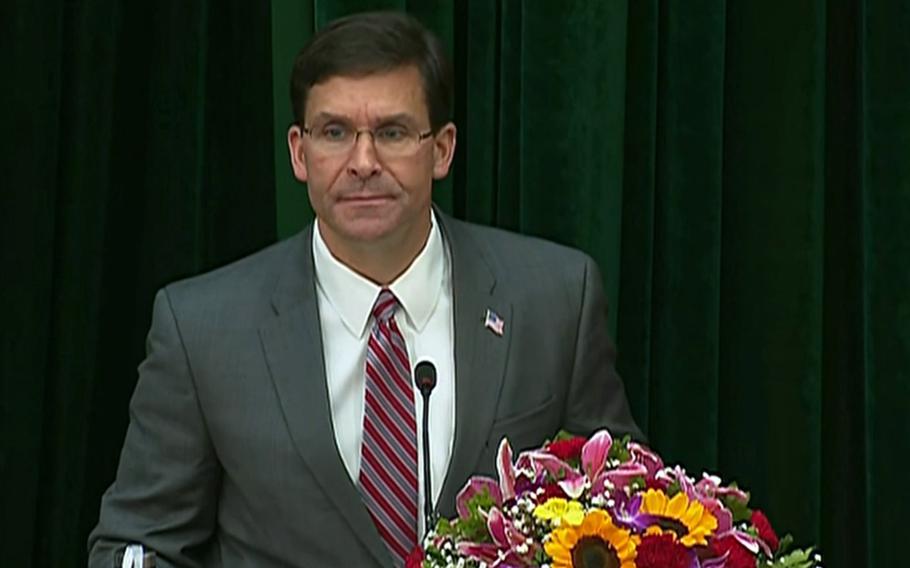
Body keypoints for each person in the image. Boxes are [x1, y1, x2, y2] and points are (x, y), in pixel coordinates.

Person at [88, 10, 641, 568]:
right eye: (335, 133)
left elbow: (629, 510)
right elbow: (137, 542)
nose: (363, 163)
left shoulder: (554, 300)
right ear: (299, 154)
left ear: (442, 150)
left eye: (393, 132)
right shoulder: (202, 329)